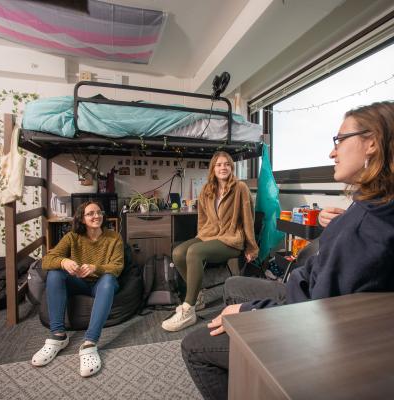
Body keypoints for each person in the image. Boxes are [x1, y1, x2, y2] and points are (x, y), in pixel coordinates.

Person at [181, 101, 394, 400]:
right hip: (304, 289)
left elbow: (315, 308)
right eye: (218, 165)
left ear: (371, 142)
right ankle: (249, 377)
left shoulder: (362, 228)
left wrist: (247, 311)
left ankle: (246, 351)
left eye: (340, 139)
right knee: (230, 282)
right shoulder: (373, 206)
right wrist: (339, 223)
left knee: (193, 345)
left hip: (308, 315)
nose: (332, 152)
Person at [162, 151, 259, 332]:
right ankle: (197, 295)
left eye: (227, 164)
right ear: (213, 168)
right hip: (210, 234)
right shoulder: (207, 189)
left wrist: (251, 246)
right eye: (219, 164)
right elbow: (202, 219)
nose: (223, 167)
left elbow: (248, 218)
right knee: (178, 252)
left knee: (195, 252)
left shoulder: (240, 188)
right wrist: (201, 237)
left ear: (231, 167)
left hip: (231, 238)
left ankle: (188, 309)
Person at [31, 201, 124, 377]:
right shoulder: (71, 237)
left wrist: (96, 268)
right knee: (55, 274)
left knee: (109, 280)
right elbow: (46, 260)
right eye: (90, 213)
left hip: (101, 284)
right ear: (81, 218)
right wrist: (63, 261)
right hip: (79, 283)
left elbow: (117, 267)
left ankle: (90, 342)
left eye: (99, 212)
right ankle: (58, 335)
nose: (96, 216)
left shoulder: (114, 237)